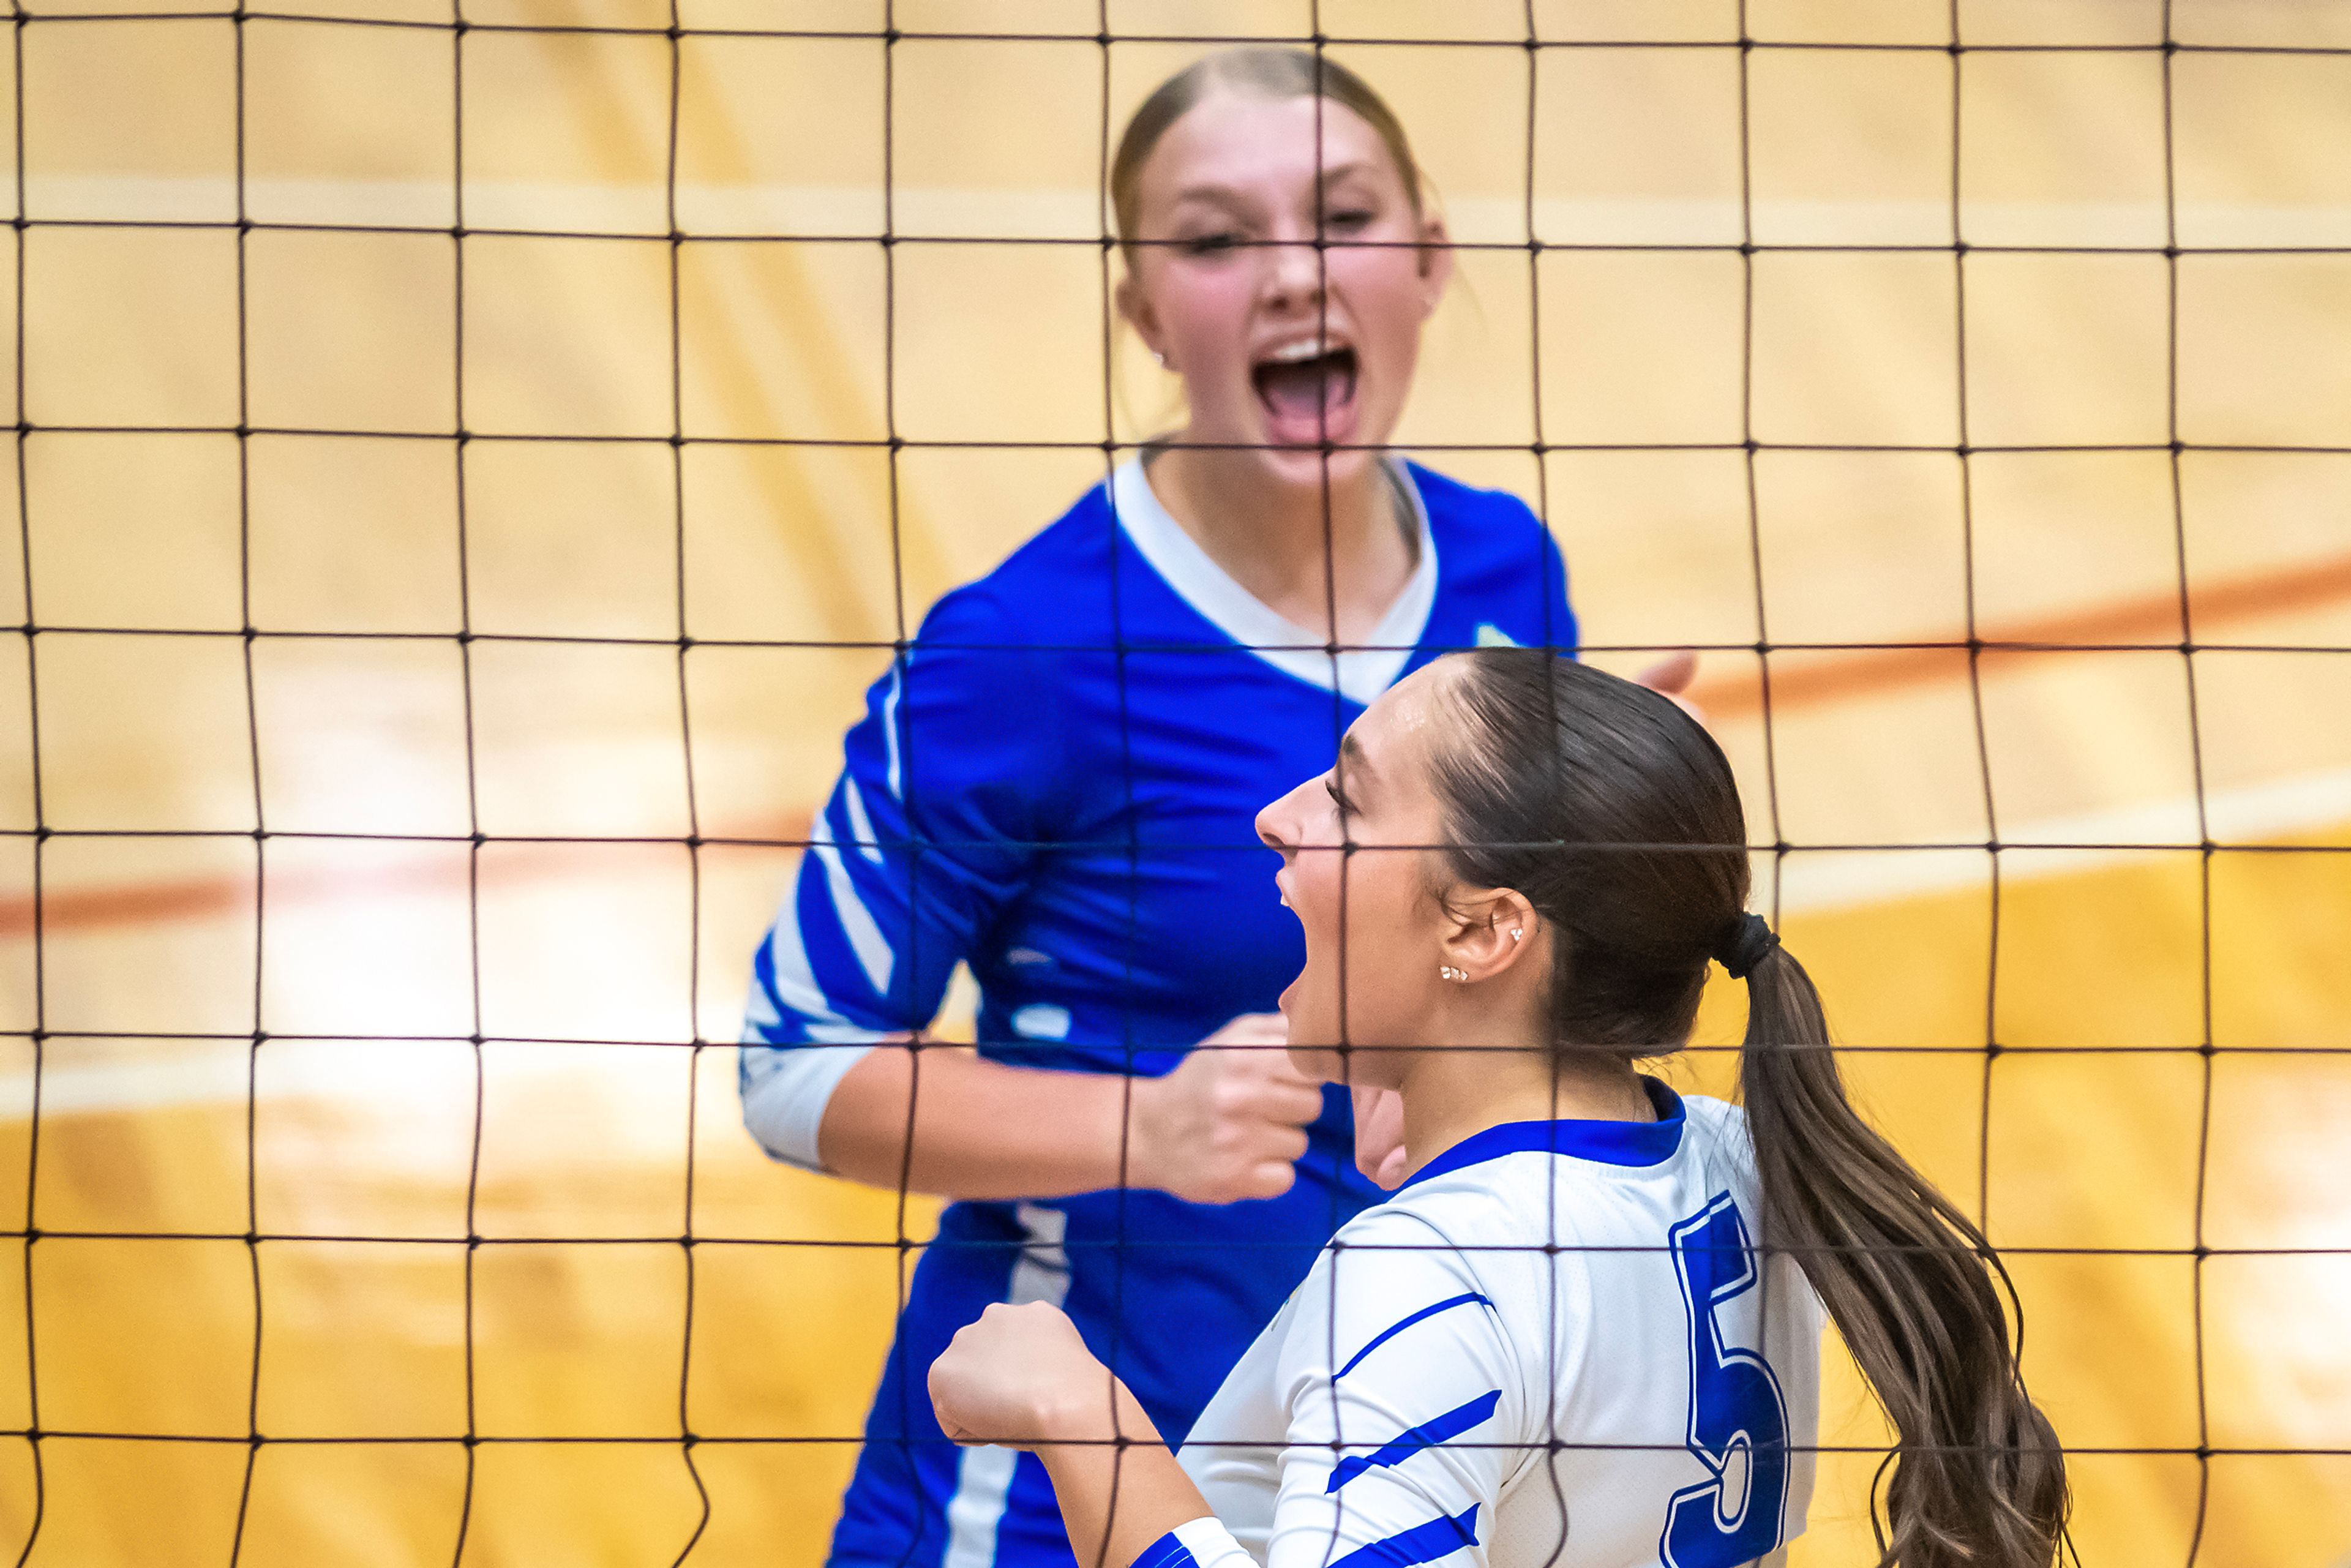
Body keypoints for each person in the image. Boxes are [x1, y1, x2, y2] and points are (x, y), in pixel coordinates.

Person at [740, 48, 1687, 1568]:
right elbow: (796, 1072)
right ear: (1144, 313)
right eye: (1214, 238)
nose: (1292, 277)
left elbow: (1484, 981)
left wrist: (1619, 846)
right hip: (1045, 1493)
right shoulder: (1019, 655)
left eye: (1342, 214)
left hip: (1384, 1462)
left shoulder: (1509, 573)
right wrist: (1148, 1124)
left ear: (1428, 261)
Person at [928, 650, 2071, 1568]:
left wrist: (1082, 1418)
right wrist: (1443, 1126)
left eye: (1346, 797)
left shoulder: (1434, 1271)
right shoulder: (1741, 1163)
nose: (1280, 817)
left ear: (1483, 930)